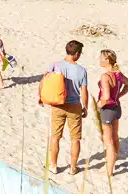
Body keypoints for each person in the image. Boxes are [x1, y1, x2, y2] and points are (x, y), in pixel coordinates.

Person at [43, 40, 90, 175]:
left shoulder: (55, 65)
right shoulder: (82, 70)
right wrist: (85, 107)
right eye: (80, 53)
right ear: (76, 54)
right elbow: (84, 91)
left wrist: (41, 98)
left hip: (58, 105)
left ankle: (53, 166)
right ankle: (73, 168)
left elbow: (45, 81)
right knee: (75, 138)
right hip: (74, 106)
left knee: (55, 137)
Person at [97, 49, 128, 181]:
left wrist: (99, 104)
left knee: (108, 142)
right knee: (115, 137)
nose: (99, 59)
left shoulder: (105, 76)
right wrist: (119, 95)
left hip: (108, 110)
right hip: (117, 108)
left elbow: (106, 96)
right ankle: (112, 163)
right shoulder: (118, 74)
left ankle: (109, 170)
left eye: (101, 57)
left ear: (107, 60)